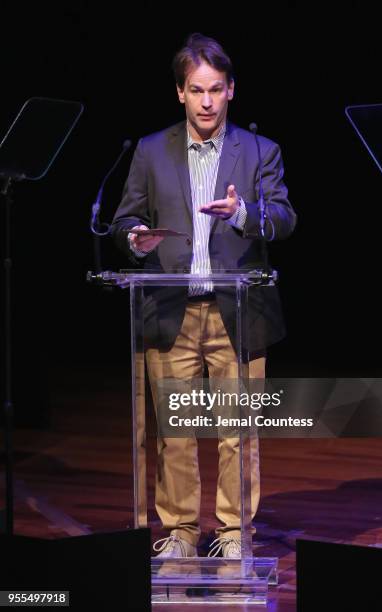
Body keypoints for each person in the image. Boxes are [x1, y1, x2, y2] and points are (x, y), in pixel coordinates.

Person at [111, 33, 296, 558]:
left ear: (231, 90)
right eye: (197, 90)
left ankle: (235, 534)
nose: (208, 101)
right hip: (170, 312)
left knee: (239, 434)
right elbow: (124, 220)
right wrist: (133, 237)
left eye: (217, 89)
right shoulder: (149, 151)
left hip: (238, 314)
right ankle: (182, 532)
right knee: (176, 433)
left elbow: (283, 219)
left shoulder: (261, 151)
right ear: (180, 93)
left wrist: (243, 214)